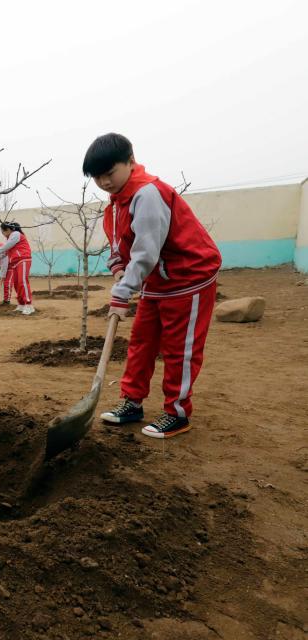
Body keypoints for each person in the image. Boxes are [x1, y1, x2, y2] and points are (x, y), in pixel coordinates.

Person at [84, 133, 221, 439]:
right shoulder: (117, 202)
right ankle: (132, 402)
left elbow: (146, 252)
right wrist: (118, 268)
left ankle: (177, 413)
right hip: (157, 281)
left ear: (130, 162)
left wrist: (123, 291)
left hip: (189, 277)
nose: (104, 182)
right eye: (97, 177)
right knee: (141, 342)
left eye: (110, 173)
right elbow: (119, 244)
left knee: (179, 350)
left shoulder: (148, 194)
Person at [0, 221, 35, 314]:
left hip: (23, 259)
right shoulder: (10, 238)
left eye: (3, 232)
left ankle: (29, 305)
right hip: (15, 262)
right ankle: (21, 304)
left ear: (8, 229)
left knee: (22, 282)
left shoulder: (16, 234)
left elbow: (5, 248)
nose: (3, 234)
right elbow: (4, 253)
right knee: (16, 284)